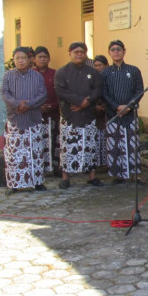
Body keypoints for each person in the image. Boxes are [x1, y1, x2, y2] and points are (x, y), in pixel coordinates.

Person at [54, 41, 104, 188]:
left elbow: (98, 89)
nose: (79, 54)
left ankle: (92, 176)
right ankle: (65, 177)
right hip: (69, 115)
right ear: (70, 53)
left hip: (88, 115)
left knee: (90, 146)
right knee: (66, 147)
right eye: (76, 52)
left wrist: (87, 101)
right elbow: (60, 90)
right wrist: (77, 101)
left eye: (82, 52)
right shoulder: (62, 72)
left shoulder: (92, 72)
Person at [1, 47, 48, 195]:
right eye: (17, 58)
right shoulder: (8, 76)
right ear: (14, 60)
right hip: (15, 119)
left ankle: (37, 182)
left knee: (34, 152)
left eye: (23, 58)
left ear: (29, 60)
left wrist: (28, 105)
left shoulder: (37, 76)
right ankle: (14, 184)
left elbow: (42, 95)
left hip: (32, 119)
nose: (20, 60)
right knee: (14, 153)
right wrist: (18, 104)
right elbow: (4, 93)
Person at [101, 40, 144, 185]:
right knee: (115, 145)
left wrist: (129, 106)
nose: (116, 52)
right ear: (109, 53)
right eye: (112, 49)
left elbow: (139, 91)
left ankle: (135, 174)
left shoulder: (133, 70)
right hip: (113, 115)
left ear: (124, 51)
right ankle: (117, 174)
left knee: (133, 145)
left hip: (130, 114)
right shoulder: (105, 72)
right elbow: (104, 93)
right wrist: (117, 107)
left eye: (118, 49)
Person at [33, 46, 60, 176]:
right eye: (40, 57)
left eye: (45, 57)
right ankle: (39, 169)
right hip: (36, 116)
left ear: (49, 59)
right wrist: (38, 107)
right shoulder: (31, 74)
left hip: (53, 114)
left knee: (55, 142)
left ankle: (56, 168)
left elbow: (61, 94)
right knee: (39, 143)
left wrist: (51, 106)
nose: (43, 59)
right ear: (34, 59)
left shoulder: (55, 74)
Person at [93, 55, 110, 169]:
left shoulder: (110, 77)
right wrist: (95, 106)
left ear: (106, 66)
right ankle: (97, 164)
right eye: (96, 65)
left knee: (106, 138)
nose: (97, 68)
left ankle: (106, 164)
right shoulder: (92, 79)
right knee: (97, 138)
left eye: (100, 65)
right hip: (94, 113)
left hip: (109, 111)